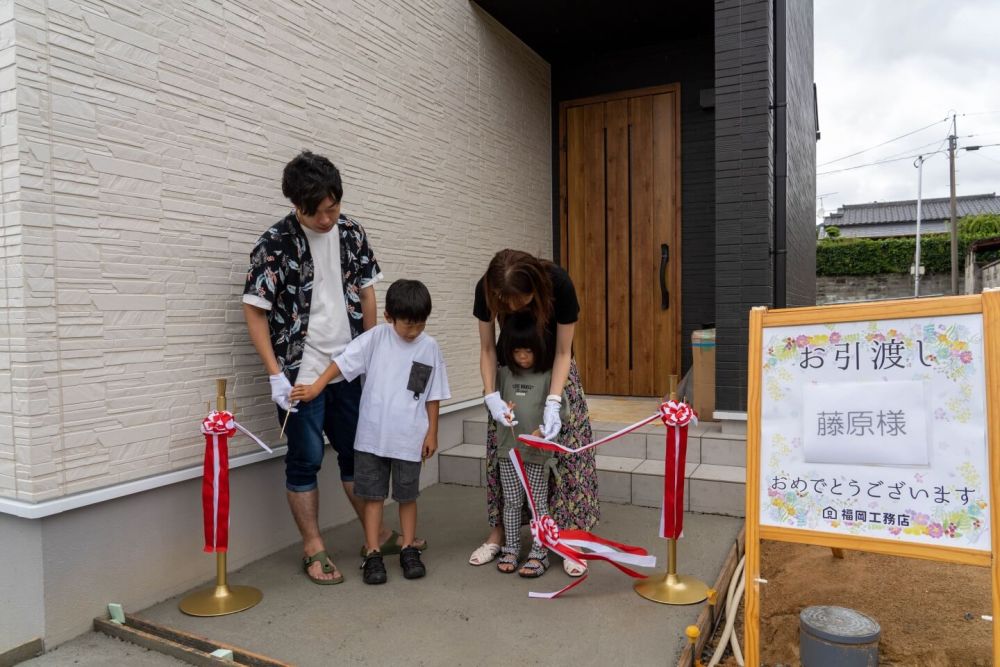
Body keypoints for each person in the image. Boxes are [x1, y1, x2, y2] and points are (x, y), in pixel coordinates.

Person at [242, 151, 422, 586]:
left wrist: (373, 350)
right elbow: (254, 310)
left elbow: (366, 294)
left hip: (349, 368)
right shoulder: (274, 244)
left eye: (333, 207)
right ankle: (313, 547)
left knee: (359, 457)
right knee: (304, 460)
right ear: (296, 204)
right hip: (299, 375)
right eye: (317, 212)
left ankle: (373, 537)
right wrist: (273, 374)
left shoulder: (351, 232)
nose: (327, 219)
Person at [291, 279, 450, 584]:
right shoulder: (375, 338)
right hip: (372, 438)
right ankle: (373, 552)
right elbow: (341, 363)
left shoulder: (429, 347)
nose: (414, 330)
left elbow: (433, 393)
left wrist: (432, 433)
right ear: (389, 316)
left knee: (407, 496)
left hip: (409, 438)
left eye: (420, 323)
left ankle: (408, 549)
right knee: (373, 497)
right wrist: (316, 387)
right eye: (407, 324)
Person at [470, 249, 598, 577]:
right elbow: (487, 348)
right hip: (509, 380)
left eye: (521, 300)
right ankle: (501, 535)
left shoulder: (559, 285)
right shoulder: (487, 288)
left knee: (567, 460)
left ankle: (571, 538)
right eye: (507, 303)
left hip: (554, 373)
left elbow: (563, 350)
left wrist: (554, 402)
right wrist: (490, 395)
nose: (514, 309)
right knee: (506, 457)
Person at [492, 312, 568, 577]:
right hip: (508, 453)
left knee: (537, 504)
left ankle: (540, 551)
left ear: (539, 349)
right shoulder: (503, 375)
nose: (523, 357)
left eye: (528, 351)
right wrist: (499, 409)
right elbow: (491, 401)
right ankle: (511, 548)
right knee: (511, 502)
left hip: (537, 455)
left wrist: (544, 430)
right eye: (517, 352)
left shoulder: (548, 377)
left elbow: (562, 414)